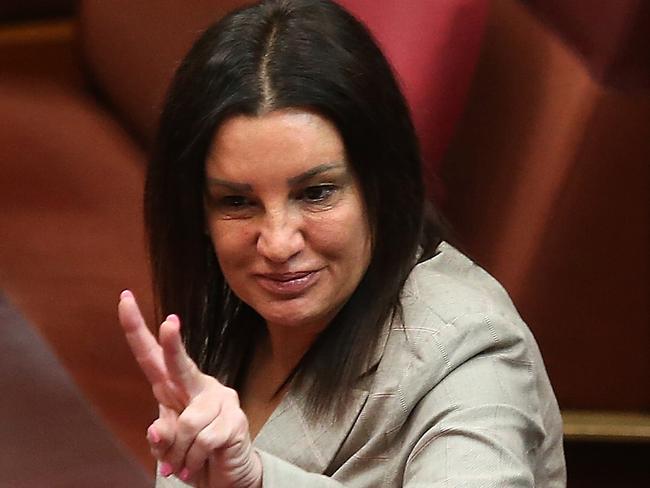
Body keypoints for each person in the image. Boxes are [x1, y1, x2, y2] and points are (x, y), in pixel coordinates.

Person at [117, 0, 567, 486]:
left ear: (380, 185)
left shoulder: (470, 350)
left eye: (316, 194)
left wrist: (259, 479)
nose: (277, 243)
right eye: (237, 202)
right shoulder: (232, 304)